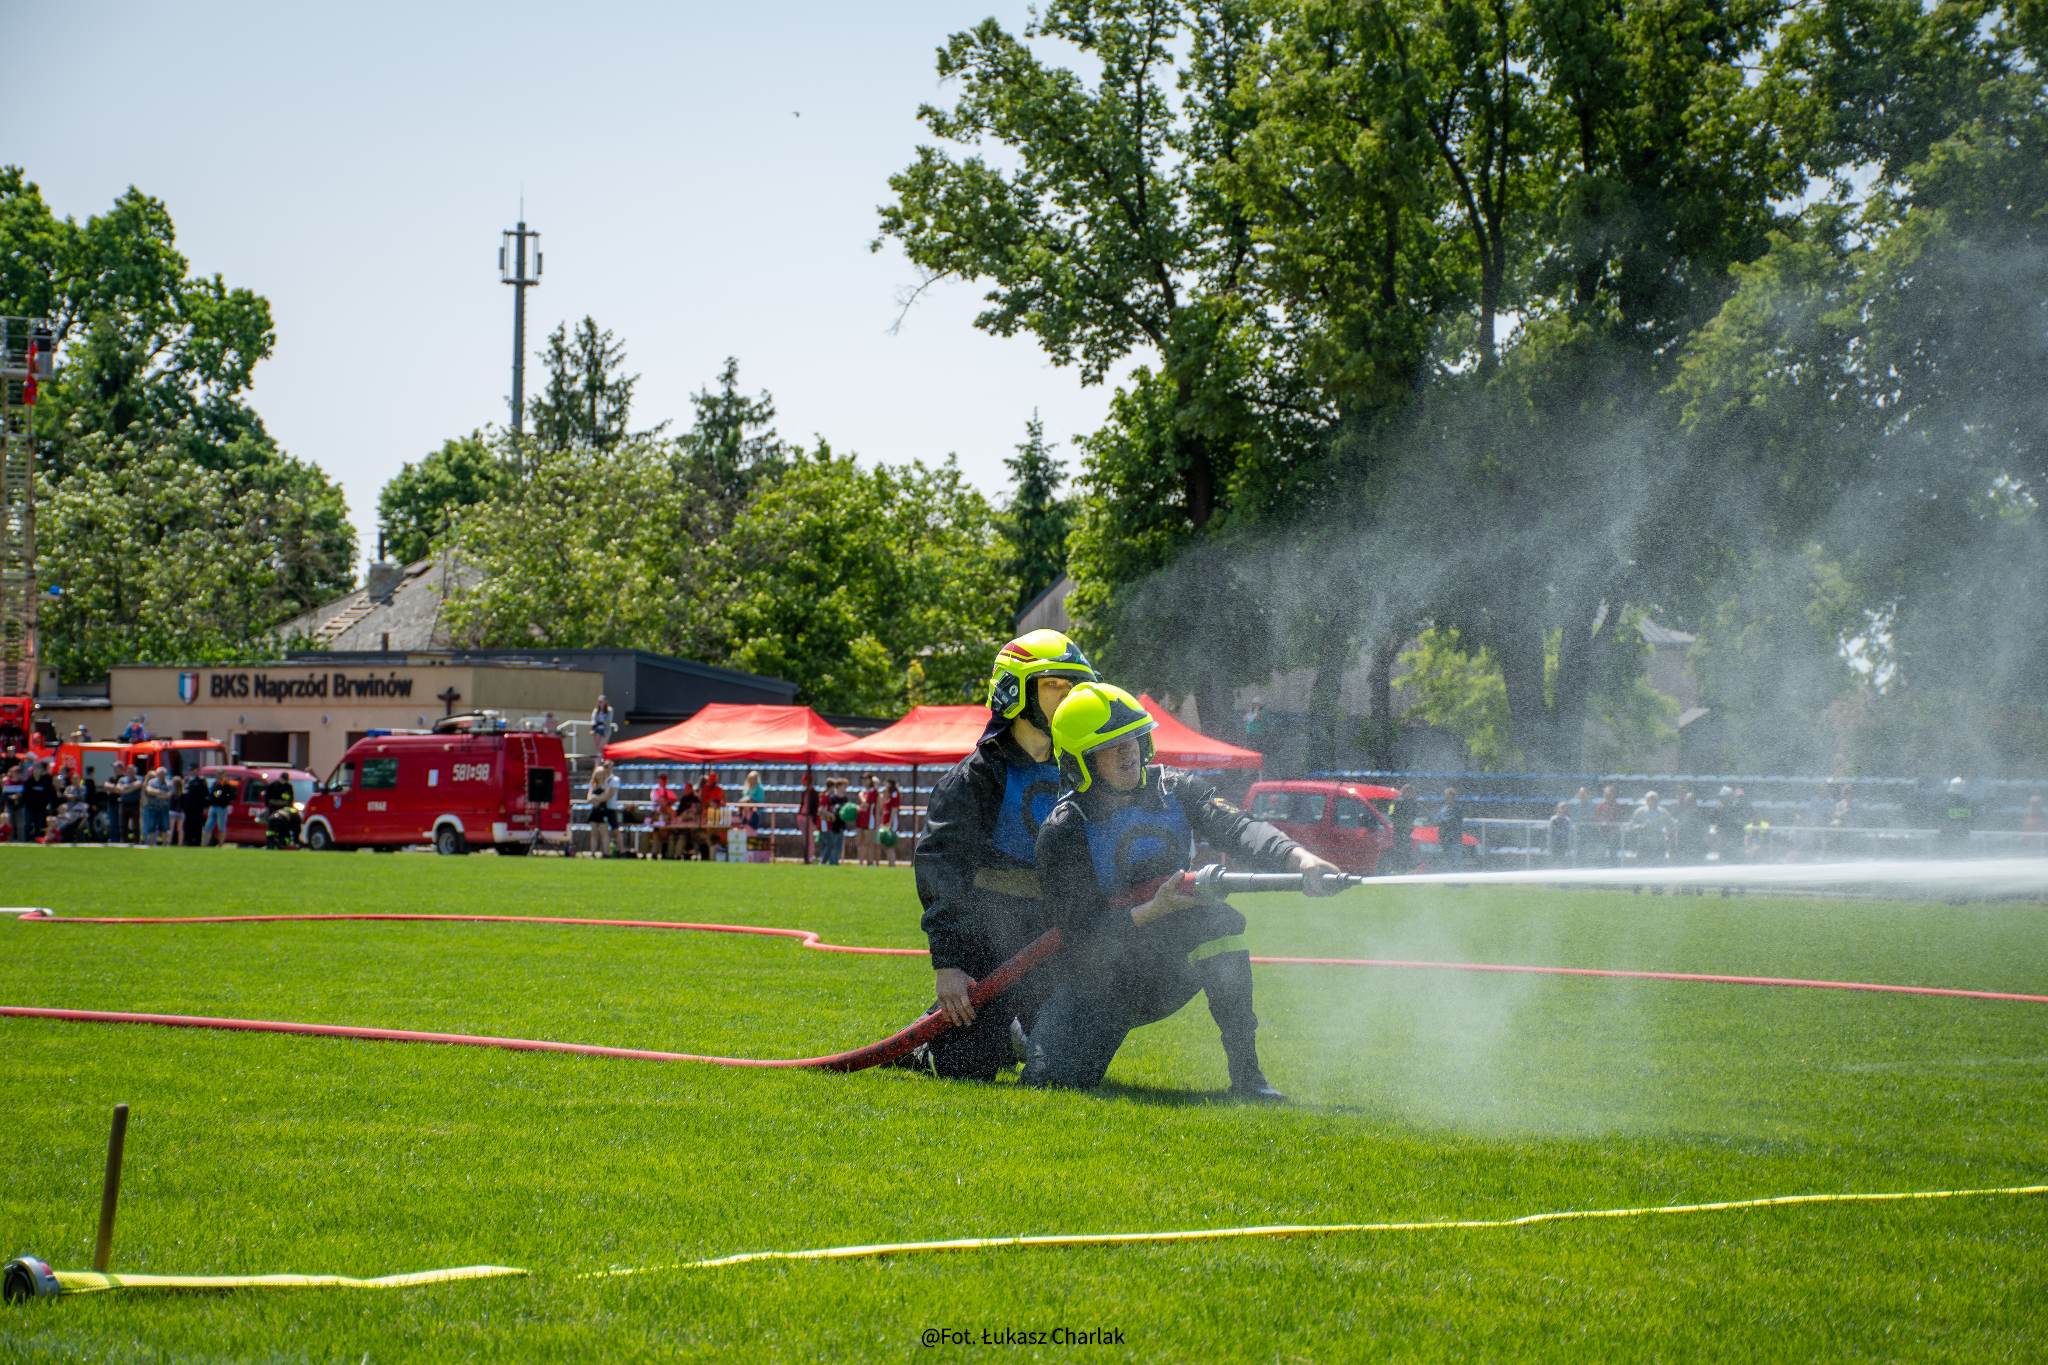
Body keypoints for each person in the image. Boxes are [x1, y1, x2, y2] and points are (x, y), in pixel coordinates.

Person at [1023, 683, 1342, 1099]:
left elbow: (1239, 827)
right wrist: (1151, 910)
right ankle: (1025, 1035)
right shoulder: (1063, 830)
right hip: (1099, 979)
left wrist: (1298, 858)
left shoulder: (1176, 788)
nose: (1128, 752)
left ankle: (1248, 1079)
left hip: (1166, 970)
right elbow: (1079, 936)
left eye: (1133, 738)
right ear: (1081, 760)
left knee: (1219, 923)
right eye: (1111, 745)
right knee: (1051, 1082)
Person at [904, 629, 1102, 1081]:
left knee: (1075, 1067)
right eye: (1055, 685)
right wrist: (950, 965)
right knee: (967, 1068)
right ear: (1015, 690)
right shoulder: (974, 779)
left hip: (1056, 940)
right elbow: (941, 869)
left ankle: (1014, 1028)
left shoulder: (1083, 772)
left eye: (1076, 687)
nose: (1068, 697)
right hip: (983, 941)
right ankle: (928, 1039)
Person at [1628, 790, 1676, 863]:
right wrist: (1640, 827)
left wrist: (1668, 834)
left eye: (1654, 800)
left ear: (1657, 801)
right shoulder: (1640, 811)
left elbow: (1671, 825)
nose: (1652, 802)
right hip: (1644, 842)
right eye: (1650, 800)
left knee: (1658, 864)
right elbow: (1631, 826)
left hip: (1659, 842)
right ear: (1646, 801)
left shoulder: (1663, 812)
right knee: (1643, 865)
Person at [587, 759, 621, 858]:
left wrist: (596, 798)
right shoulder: (593, 786)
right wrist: (594, 799)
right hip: (594, 810)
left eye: (601, 774)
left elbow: (606, 797)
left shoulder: (607, 785)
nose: (600, 776)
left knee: (604, 833)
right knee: (593, 833)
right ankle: (592, 853)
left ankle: (606, 853)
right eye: (598, 774)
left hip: (603, 810)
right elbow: (588, 799)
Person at [1937, 777, 1974, 853]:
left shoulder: (1947, 799)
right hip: (1953, 829)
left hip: (1958, 829)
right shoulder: (1947, 800)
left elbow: (1968, 816)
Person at [1436, 787, 1469, 869]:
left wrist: (1440, 821)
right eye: (1446, 796)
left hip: (1454, 839)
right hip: (1444, 838)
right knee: (1447, 861)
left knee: (1456, 861)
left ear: (1453, 797)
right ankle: (1449, 879)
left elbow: (1449, 820)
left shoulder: (1457, 808)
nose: (1447, 798)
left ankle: (1458, 880)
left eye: (1449, 796)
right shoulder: (1443, 808)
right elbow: (1438, 819)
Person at [142, 766, 174, 847]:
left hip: (164, 809)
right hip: (152, 808)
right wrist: (161, 793)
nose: (161, 775)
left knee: (165, 828)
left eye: (163, 774)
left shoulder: (169, 783)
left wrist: (156, 794)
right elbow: (149, 791)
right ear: (157, 774)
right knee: (151, 828)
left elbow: (169, 795)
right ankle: (151, 845)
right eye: (160, 774)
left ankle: (165, 845)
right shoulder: (152, 782)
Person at [818, 780, 846, 866]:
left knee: (828, 844)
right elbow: (821, 810)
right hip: (824, 823)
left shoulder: (827, 796)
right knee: (830, 844)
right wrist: (831, 815)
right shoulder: (826, 796)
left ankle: (824, 861)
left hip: (827, 823)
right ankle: (822, 862)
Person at [203, 773, 235, 846]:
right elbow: (211, 795)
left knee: (221, 827)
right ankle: (204, 844)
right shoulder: (215, 784)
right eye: (218, 775)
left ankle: (220, 844)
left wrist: (224, 801)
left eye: (221, 775)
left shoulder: (227, 786)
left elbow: (230, 796)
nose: (219, 777)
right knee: (208, 826)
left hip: (222, 808)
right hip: (213, 807)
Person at [856, 773, 880, 866]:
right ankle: (861, 863)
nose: (864, 781)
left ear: (870, 780)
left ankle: (870, 863)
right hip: (860, 819)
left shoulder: (873, 791)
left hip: (869, 819)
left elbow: (866, 804)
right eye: (863, 779)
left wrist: (861, 796)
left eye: (866, 779)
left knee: (869, 842)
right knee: (860, 842)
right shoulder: (864, 791)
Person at [797, 774, 821, 863]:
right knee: (804, 838)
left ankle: (811, 856)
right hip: (802, 816)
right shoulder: (804, 792)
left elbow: (815, 807)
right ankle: (806, 856)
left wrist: (814, 819)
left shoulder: (814, 793)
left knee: (810, 839)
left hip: (809, 817)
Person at [880, 778, 903, 867]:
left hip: (892, 822)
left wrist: (890, 822)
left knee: (890, 844)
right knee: (887, 844)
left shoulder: (894, 794)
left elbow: (894, 809)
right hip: (887, 821)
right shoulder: (888, 795)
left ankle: (892, 864)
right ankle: (890, 864)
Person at [1547, 802, 1573, 866]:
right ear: (1558, 808)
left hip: (1563, 842)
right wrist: (1550, 842)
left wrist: (1567, 841)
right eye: (1562, 807)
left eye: (1564, 808)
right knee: (1554, 858)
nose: (1563, 809)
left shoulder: (1567, 819)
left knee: (1562, 857)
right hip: (1554, 842)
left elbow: (1568, 831)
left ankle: (1560, 869)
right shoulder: (1553, 819)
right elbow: (1551, 831)